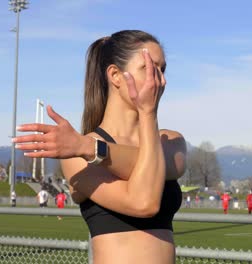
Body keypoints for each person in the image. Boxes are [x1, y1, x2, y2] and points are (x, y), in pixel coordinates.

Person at [13, 30, 186, 263]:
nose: (160, 80)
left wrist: (91, 148)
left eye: (162, 70)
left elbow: (151, 164)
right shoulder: (74, 156)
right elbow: (144, 202)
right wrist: (147, 113)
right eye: (149, 68)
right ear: (115, 75)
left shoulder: (170, 140)